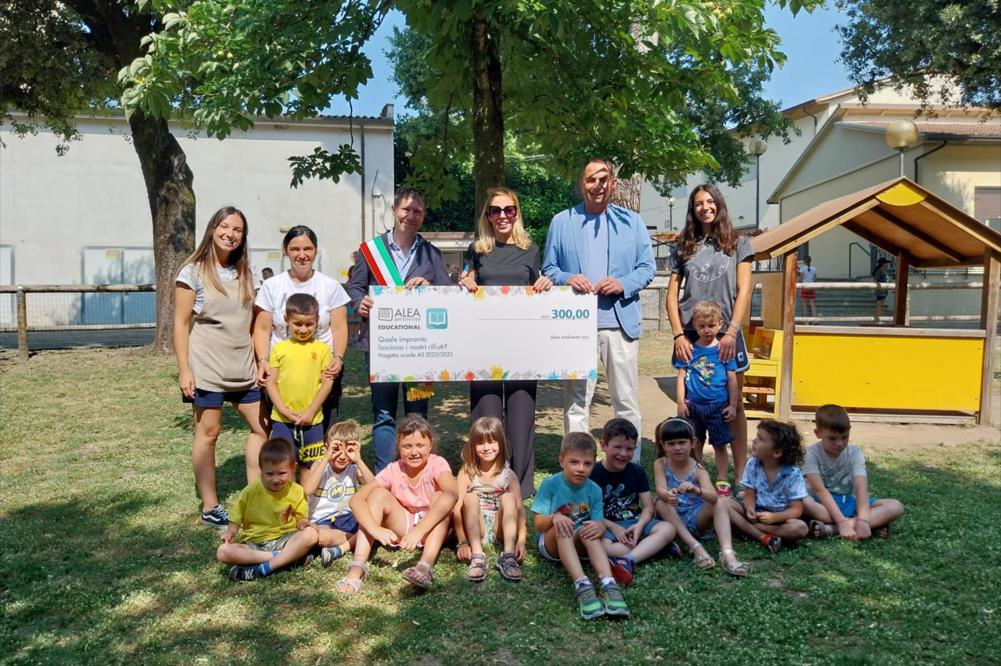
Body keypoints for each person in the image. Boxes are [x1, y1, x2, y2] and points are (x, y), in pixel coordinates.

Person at [542, 159, 655, 460]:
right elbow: (549, 269)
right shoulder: (561, 222)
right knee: (577, 401)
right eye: (591, 179)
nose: (597, 185)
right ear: (581, 184)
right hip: (577, 328)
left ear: (614, 184)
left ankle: (628, 463)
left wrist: (622, 283)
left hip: (620, 323)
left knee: (626, 400)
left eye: (604, 179)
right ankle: (575, 464)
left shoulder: (632, 223)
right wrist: (567, 278)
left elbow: (647, 268)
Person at [174, 206, 268, 530]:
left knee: (263, 428)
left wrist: (261, 361)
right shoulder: (193, 272)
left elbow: (254, 322)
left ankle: (256, 495)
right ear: (212, 229)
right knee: (208, 434)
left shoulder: (246, 272)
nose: (230, 233)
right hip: (207, 369)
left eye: (237, 229)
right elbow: (180, 324)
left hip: (243, 368)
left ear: (243, 237)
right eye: (224, 226)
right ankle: (211, 506)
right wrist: (185, 371)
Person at [346, 187, 451, 472]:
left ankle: (416, 470)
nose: (411, 216)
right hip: (381, 346)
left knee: (418, 412)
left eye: (417, 211)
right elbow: (355, 286)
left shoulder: (432, 254)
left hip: (421, 349)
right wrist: (359, 302)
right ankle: (385, 473)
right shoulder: (370, 251)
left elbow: (448, 294)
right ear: (393, 210)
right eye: (406, 209)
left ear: (424, 215)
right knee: (383, 413)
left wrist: (431, 289)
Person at [460, 187, 553, 496]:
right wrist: (464, 281)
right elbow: (464, 280)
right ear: (487, 215)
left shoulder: (531, 248)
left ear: (517, 213)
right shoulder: (477, 249)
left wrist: (544, 282)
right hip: (483, 344)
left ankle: (520, 485)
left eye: (508, 210)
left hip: (523, 343)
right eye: (495, 211)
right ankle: (486, 480)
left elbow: (536, 286)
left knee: (521, 414)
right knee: (486, 414)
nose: (502, 216)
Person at [667, 184, 754, 498]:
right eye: (698, 203)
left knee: (734, 404)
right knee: (693, 406)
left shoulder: (740, 243)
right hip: (692, 334)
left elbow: (744, 290)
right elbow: (671, 295)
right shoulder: (683, 245)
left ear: (719, 203)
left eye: (709, 201)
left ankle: (741, 476)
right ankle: (693, 473)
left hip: (727, 332)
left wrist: (730, 331)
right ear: (692, 209)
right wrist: (679, 334)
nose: (705, 207)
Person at [344, 414, 457, 593]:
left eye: (420, 445)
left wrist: (419, 532)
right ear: (398, 445)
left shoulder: (437, 463)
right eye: (407, 446)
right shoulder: (394, 469)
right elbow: (356, 499)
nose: (414, 452)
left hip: (434, 527)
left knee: (439, 496)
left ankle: (425, 566)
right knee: (378, 494)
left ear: (430, 444)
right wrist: (375, 528)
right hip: (405, 525)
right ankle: (358, 564)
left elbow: (452, 494)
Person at [254, 226, 350, 429]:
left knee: (322, 429)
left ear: (315, 250)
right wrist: (263, 360)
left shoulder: (331, 286)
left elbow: (340, 327)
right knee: (283, 428)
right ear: (285, 250)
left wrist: (338, 358)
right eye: (295, 249)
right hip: (283, 370)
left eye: (308, 249)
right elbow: (262, 329)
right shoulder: (271, 286)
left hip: (322, 369)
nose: (302, 255)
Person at [531, 431, 629, 620]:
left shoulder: (593, 489)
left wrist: (600, 528)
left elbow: (598, 524)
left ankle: (609, 585)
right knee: (564, 526)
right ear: (561, 461)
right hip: (551, 543)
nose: (580, 469)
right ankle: (582, 585)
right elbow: (538, 524)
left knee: (589, 531)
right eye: (574, 462)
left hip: (580, 544)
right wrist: (554, 518)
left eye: (587, 464)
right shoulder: (550, 484)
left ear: (594, 463)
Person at [653, 418, 749, 577]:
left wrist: (697, 490)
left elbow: (713, 497)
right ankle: (696, 547)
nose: (677, 448)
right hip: (672, 519)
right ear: (663, 445)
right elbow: (660, 488)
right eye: (671, 444)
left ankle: (727, 552)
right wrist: (668, 495)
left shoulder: (698, 469)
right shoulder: (661, 463)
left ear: (693, 443)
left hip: (696, 518)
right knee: (661, 503)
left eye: (681, 442)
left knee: (718, 504)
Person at [217, 437, 320, 581]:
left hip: (285, 539)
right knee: (223, 552)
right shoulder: (251, 490)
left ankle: (265, 568)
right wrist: (231, 531)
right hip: (254, 543)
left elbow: (300, 518)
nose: (276, 479)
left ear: (293, 468)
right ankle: (284, 558)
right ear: (261, 470)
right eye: (270, 474)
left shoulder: (297, 490)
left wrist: (303, 523)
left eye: (282, 473)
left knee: (311, 534)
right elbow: (236, 515)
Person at [590, 418, 677, 586]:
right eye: (617, 447)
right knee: (603, 548)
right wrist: (613, 527)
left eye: (629, 449)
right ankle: (654, 548)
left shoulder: (637, 471)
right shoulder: (592, 473)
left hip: (634, 522)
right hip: (606, 524)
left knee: (668, 528)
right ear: (603, 445)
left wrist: (639, 526)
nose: (623, 454)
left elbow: (648, 507)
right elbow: (588, 510)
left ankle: (628, 560)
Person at [802, 404, 904, 540]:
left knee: (895, 506)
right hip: (820, 504)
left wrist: (863, 520)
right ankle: (867, 525)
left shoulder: (855, 453)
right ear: (818, 434)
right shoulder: (810, 454)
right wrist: (841, 521)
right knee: (801, 501)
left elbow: (861, 489)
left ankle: (832, 529)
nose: (839, 443)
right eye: (832, 438)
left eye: (844, 437)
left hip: (848, 501)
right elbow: (820, 490)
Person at [453, 416, 527, 583]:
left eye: (492, 442)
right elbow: (458, 509)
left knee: (509, 498)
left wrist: (521, 541)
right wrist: (462, 542)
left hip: (500, 527)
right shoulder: (467, 473)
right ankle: (477, 555)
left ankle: (508, 556)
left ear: (500, 444)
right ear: (473, 446)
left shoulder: (508, 475)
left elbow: (520, 511)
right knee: (470, 498)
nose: (486, 448)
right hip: (476, 528)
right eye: (480, 443)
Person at [674, 301, 739, 491]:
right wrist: (680, 402)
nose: (706, 330)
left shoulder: (724, 350)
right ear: (694, 325)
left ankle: (721, 479)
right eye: (701, 326)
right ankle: (696, 475)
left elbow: (732, 380)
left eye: (711, 326)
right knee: (696, 443)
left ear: (720, 324)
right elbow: (680, 377)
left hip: (718, 406)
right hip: (693, 405)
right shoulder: (689, 350)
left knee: (720, 444)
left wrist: (733, 405)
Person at [265, 293, 333, 473]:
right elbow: (271, 383)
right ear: (286, 319)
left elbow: (327, 383)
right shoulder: (279, 349)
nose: (303, 329)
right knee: (282, 466)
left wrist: (311, 411)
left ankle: (307, 501)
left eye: (309, 324)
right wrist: (283, 410)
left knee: (309, 468)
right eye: (298, 324)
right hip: (282, 420)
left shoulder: (323, 350)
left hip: (313, 421)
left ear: (317, 320)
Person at [723, 420, 809, 553]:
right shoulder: (753, 463)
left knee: (800, 528)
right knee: (723, 502)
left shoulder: (793, 474)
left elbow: (796, 510)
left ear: (777, 452)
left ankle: (748, 528)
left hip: (779, 519)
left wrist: (774, 518)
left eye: (761, 438)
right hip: (754, 514)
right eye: (757, 436)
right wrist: (749, 508)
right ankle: (762, 535)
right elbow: (749, 494)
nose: (755, 440)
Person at [300, 420, 374, 567]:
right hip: (323, 521)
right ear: (327, 447)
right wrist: (326, 458)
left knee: (373, 522)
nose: (342, 456)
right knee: (321, 537)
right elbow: (307, 490)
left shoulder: (353, 467)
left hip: (348, 517)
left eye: (348, 451)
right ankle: (350, 541)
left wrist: (358, 460)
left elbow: (374, 486)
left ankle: (339, 548)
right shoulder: (320, 464)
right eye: (337, 450)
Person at [798, 255, 817, 321]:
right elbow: (815, 280)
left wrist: (798, 287)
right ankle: (815, 320)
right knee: (812, 304)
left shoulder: (802, 269)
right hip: (811, 287)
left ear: (804, 261)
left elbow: (800, 279)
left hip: (804, 287)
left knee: (804, 305)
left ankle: (805, 320)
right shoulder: (814, 269)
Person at [873, 257, 890, 322]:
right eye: (886, 263)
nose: (888, 264)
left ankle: (880, 318)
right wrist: (881, 285)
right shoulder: (879, 271)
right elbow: (875, 280)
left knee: (881, 305)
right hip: (880, 291)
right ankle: (878, 319)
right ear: (883, 263)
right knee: (879, 305)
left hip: (884, 291)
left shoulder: (884, 271)